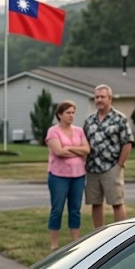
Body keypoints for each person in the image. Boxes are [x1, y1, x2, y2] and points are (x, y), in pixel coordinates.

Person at [83, 84, 134, 228]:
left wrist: (120, 164)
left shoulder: (119, 119)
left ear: (109, 98)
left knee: (116, 202)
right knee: (95, 203)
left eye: (102, 97)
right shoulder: (89, 120)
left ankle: (122, 233)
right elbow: (84, 143)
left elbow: (127, 142)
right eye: (96, 97)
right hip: (92, 168)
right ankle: (99, 235)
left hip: (111, 167)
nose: (99, 100)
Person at [45, 101, 89, 250]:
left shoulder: (79, 131)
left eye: (73, 112)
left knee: (75, 209)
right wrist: (78, 150)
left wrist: (69, 147)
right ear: (59, 115)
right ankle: (54, 244)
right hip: (58, 176)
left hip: (78, 175)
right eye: (68, 113)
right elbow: (58, 152)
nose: (71, 115)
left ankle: (75, 243)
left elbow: (87, 150)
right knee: (57, 209)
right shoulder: (53, 131)